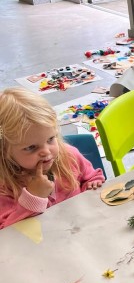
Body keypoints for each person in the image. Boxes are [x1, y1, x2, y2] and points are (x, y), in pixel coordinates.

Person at [0, 88, 105, 230]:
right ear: (5, 150)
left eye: (50, 139)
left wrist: (93, 183)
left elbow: (91, 177)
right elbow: (7, 233)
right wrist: (33, 197)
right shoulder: (4, 186)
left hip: (81, 231)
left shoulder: (69, 156)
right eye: (31, 147)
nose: (46, 151)